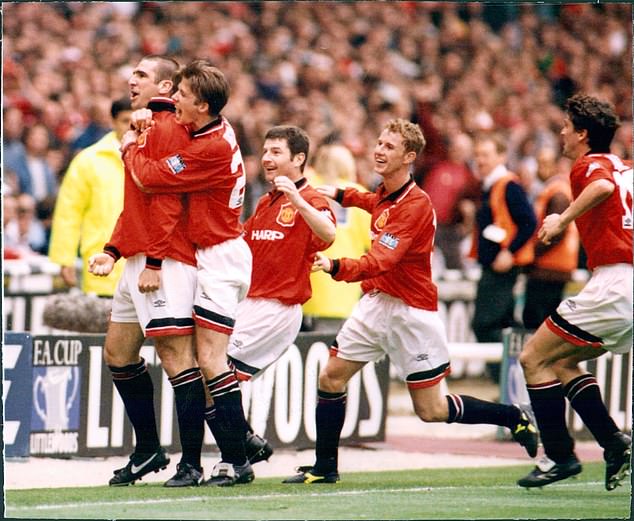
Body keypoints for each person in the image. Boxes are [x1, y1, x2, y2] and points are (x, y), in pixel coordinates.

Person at [282, 119, 538, 485]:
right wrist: (332, 192)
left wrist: (334, 265)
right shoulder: (386, 193)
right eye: (379, 143)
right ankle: (325, 468)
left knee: (431, 411)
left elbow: (380, 261)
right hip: (376, 304)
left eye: (389, 146)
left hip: (410, 312)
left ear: (410, 157)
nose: (379, 150)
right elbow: (368, 201)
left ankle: (512, 416)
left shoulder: (416, 205)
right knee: (331, 376)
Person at [121, 60, 257, 487]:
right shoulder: (210, 127)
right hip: (213, 251)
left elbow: (148, 178)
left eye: (181, 96)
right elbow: (169, 115)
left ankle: (235, 459)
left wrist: (129, 144)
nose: (174, 100)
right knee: (204, 361)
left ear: (201, 105)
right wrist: (151, 110)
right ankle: (241, 450)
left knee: (211, 361)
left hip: (219, 255)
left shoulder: (208, 148)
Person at [89, 55, 205, 488]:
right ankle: (149, 450)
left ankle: (192, 462)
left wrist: (154, 262)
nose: (130, 80)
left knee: (177, 358)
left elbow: (169, 200)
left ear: (166, 85)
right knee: (118, 353)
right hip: (138, 257)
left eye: (141, 74)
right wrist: (113, 250)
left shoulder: (169, 129)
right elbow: (136, 204)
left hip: (166, 258)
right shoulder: (141, 130)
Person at [517, 94, 632, 490]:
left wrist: (562, 219)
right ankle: (613, 441)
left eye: (566, 127)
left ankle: (560, 456)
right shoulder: (625, 167)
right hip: (625, 287)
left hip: (614, 284)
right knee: (562, 362)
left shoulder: (588, 166)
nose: (562, 133)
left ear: (583, 134)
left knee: (532, 357)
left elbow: (599, 186)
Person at [227, 124, 335, 396]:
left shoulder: (311, 199)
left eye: (276, 151)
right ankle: (241, 438)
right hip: (249, 303)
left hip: (276, 308)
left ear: (298, 159)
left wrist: (297, 201)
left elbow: (329, 233)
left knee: (217, 371)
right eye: (265, 151)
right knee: (216, 376)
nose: (266, 158)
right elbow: (241, 243)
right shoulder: (266, 201)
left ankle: (238, 439)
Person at [469, 132, 537, 381]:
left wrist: (510, 252)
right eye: (477, 155)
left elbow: (529, 222)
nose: (480, 160)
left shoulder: (508, 185)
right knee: (508, 324)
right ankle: (521, 378)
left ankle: (508, 381)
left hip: (502, 268)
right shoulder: (490, 185)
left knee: (485, 324)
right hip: (495, 266)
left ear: (501, 156)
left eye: (485, 155)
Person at [48, 98, 132, 296]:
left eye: (134, 120)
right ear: (112, 122)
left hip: (143, 268)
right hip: (100, 265)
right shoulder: (88, 160)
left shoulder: (154, 157)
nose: (131, 127)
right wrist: (64, 258)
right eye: (125, 121)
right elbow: (69, 213)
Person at [302, 144, 370, 332]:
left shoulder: (308, 190)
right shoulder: (358, 195)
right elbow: (371, 242)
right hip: (343, 288)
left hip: (307, 285)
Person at [522, 145, 579, 329]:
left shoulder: (558, 192)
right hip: (553, 267)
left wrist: (530, 255)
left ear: (556, 164)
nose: (541, 168)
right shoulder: (555, 189)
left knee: (536, 322)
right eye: (539, 163)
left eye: (545, 163)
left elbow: (556, 232)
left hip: (549, 268)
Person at [420, 132, 480, 271]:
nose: (457, 151)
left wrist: (467, 222)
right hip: (425, 224)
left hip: (449, 229)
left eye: (462, 149)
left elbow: (473, 204)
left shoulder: (470, 177)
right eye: (455, 147)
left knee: (453, 268)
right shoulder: (435, 167)